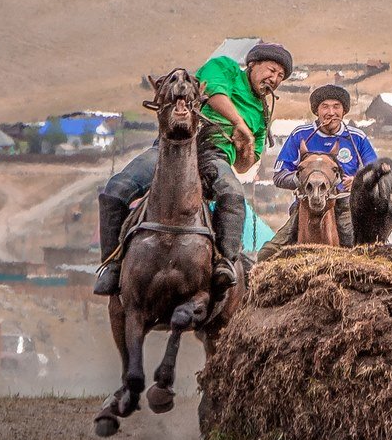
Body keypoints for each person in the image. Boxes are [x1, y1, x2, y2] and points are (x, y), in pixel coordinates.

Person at [93, 41, 293, 296]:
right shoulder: (225, 68)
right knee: (116, 188)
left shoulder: (263, 115)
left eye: (280, 76)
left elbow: (247, 163)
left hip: (214, 156)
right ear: (252, 65)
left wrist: (245, 146)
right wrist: (239, 123)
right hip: (175, 146)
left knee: (233, 194)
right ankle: (112, 264)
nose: (274, 79)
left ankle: (225, 262)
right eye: (271, 70)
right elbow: (214, 94)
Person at [256, 84, 378, 260]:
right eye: (325, 107)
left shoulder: (357, 137)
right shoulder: (300, 135)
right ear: (316, 111)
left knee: (364, 255)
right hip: (305, 206)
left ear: (344, 111)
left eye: (336, 106)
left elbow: (376, 173)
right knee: (268, 254)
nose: (331, 112)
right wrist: (304, 180)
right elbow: (279, 174)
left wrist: (359, 180)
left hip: (345, 207)